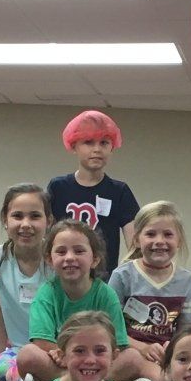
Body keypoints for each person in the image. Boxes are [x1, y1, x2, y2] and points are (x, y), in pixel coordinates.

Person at [15, 221, 140, 381]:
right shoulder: (46, 294)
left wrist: (93, 358)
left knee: (133, 358)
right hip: (62, 361)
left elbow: (118, 345)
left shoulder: (106, 295)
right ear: (50, 259)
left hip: (97, 361)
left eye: (79, 251)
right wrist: (67, 356)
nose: (69, 257)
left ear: (95, 259)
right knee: (27, 355)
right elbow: (41, 342)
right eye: (61, 251)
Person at [107, 200, 191, 381]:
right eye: (150, 234)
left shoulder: (185, 280)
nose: (159, 241)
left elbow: (188, 330)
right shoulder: (123, 276)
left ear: (179, 240)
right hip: (126, 353)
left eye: (168, 234)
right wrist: (142, 348)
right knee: (138, 364)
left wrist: (171, 350)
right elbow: (109, 329)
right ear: (137, 239)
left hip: (167, 356)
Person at [47, 109, 139, 272]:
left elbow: (135, 245)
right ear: (74, 146)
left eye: (104, 143)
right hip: (64, 277)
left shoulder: (119, 191)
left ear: (112, 147)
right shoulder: (58, 187)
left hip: (103, 281)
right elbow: (46, 236)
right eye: (88, 142)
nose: (97, 149)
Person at [0, 183, 51, 351]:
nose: (26, 224)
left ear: (49, 221)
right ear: (5, 220)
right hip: (15, 355)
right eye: (17, 216)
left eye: (35, 216)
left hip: (57, 352)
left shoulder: (58, 260)